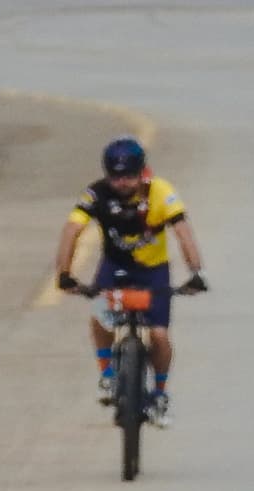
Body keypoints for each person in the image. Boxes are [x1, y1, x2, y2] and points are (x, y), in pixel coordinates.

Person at [53, 135, 207, 423]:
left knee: (159, 335)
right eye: (115, 177)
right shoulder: (96, 194)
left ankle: (160, 394)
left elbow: (183, 232)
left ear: (143, 172)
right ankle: (107, 376)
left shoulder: (161, 192)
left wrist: (196, 272)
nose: (122, 183)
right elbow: (71, 230)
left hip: (153, 271)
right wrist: (63, 273)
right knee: (100, 314)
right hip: (115, 267)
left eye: (130, 177)